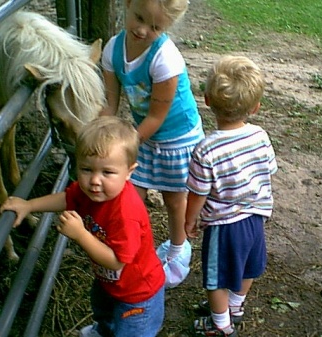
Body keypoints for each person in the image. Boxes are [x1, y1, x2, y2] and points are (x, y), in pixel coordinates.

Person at [1, 116, 165, 337]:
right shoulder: (90, 191)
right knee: (102, 310)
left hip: (138, 294)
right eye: (86, 169)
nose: (95, 180)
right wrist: (29, 205)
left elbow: (117, 261)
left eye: (107, 172)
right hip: (109, 283)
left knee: (131, 331)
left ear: (129, 172)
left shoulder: (126, 213)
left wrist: (80, 234)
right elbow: (67, 198)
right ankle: (104, 330)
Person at [100, 0, 204, 288]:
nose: (143, 30)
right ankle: (129, 248)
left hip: (177, 135)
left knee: (174, 199)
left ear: (167, 27)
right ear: (128, 4)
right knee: (131, 194)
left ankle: (178, 249)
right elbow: (110, 103)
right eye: (138, 18)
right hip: (143, 134)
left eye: (155, 26)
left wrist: (125, 145)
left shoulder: (165, 59)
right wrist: (97, 133)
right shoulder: (112, 50)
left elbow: (157, 116)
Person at [185, 55, 278, 336]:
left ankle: (221, 327)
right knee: (248, 267)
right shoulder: (260, 136)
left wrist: (190, 221)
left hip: (224, 227)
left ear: (207, 101)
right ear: (256, 107)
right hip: (255, 220)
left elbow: (198, 193)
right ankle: (235, 307)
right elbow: (268, 170)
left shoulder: (206, 149)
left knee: (216, 280)